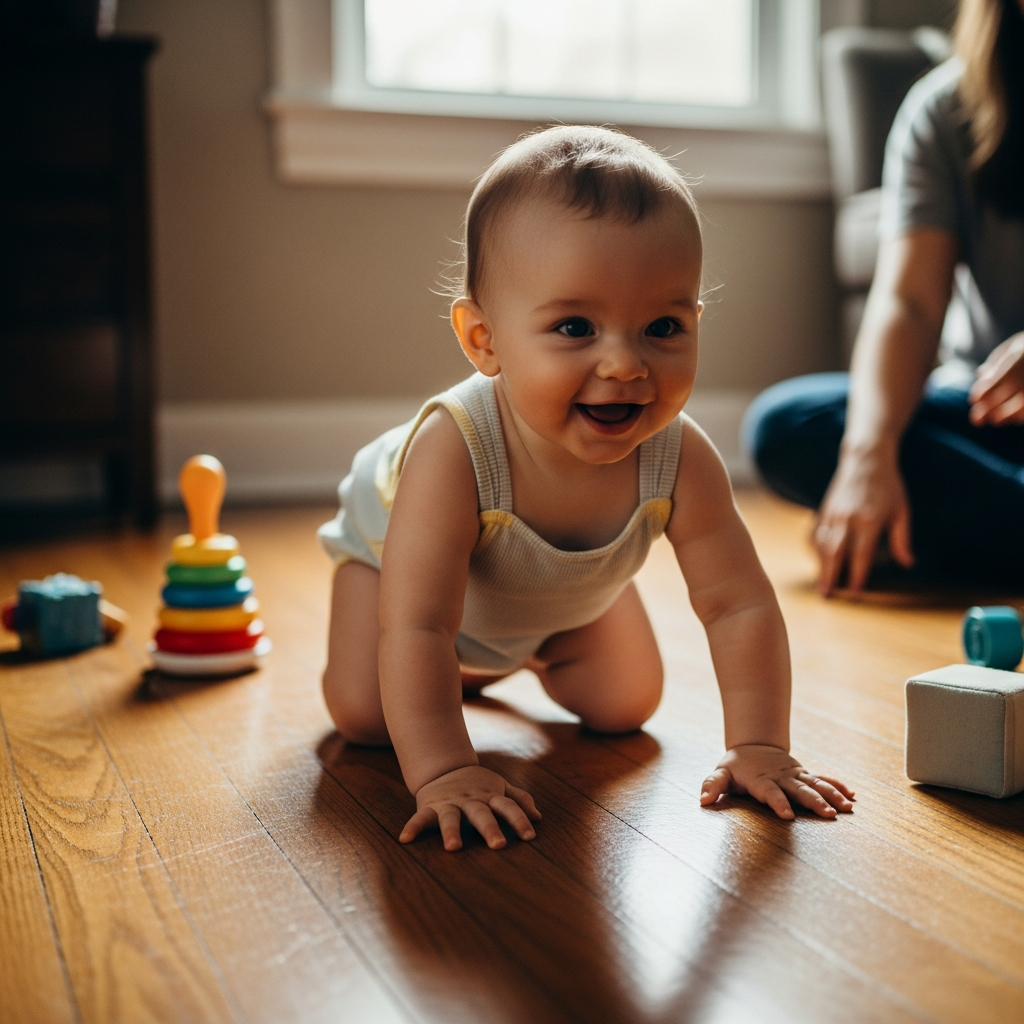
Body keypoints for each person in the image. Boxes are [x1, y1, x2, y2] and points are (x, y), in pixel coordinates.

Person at [318, 126, 855, 852]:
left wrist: (760, 745)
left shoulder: (678, 456)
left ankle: (504, 656)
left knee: (625, 706)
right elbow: (415, 625)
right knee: (366, 717)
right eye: (575, 326)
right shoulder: (454, 450)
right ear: (484, 341)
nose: (626, 365)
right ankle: (458, 681)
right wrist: (445, 769)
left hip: (562, 603)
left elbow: (739, 604)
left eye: (663, 325)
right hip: (399, 586)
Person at [744, 0, 1024, 595]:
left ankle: (953, 543)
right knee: (787, 426)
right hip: (991, 414)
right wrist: (867, 458)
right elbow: (910, 303)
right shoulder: (947, 108)